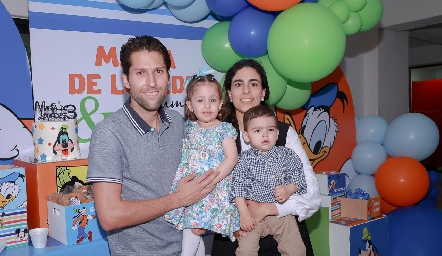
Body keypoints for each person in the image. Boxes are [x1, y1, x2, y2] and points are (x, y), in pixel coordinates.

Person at [86, 35, 219, 256]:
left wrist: (203, 214)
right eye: (140, 73)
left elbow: (195, 182)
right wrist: (179, 199)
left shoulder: (178, 122)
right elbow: (110, 216)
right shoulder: (108, 133)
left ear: (168, 77)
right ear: (126, 81)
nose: (151, 82)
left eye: (158, 71)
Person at [211, 59, 321, 256]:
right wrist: (234, 221)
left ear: (263, 92)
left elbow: (311, 195)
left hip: (283, 239)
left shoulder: (284, 133)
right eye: (238, 84)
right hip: (234, 239)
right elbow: (207, 194)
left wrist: (269, 208)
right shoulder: (216, 135)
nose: (246, 91)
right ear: (229, 94)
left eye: (253, 84)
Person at [164, 73, 240, 255]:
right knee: (193, 227)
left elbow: (231, 158)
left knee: (192, 227)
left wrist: (211, 180)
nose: (207, 106)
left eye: (212, 100)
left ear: (220, 104)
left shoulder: (224, 129)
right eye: (200, 100)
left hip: (212, 187)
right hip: (190, 186)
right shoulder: (188, 128)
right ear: (189, 105)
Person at [231, 105, 307, 256]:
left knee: (296, 249)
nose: (265, 134)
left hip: (281, 213)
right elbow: (237, 188)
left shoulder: (287, 155)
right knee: (245, 250)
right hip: (253, 216)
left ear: (277, 133)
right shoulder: (243, 160)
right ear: (246, 136)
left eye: (270, 129)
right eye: (257, 130)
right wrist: (244, 213)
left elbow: (299, 179)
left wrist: (288, 189)